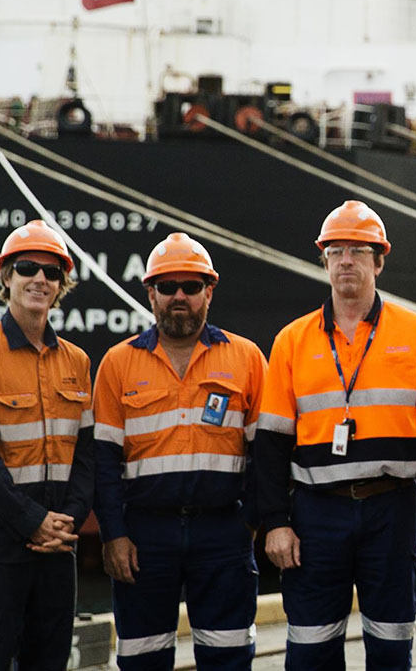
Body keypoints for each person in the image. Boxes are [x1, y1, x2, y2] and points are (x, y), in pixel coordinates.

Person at [255, 200, 416, 671]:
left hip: (393, 509)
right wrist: (275, 522)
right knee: (310, 648)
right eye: (336, 251)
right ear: (324, 261)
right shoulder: (292, 341)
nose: (346, 261)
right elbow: (271, 444)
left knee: (390, 645)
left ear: (379, 261)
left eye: (358, 251)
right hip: (316, 514)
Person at [93, 232, 267, 671]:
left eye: (191, 287)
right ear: (150, 293)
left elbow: (266, 454)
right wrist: (114, 534)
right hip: (145, 537)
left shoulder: (246, 358)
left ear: (209, 290)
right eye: (167, 287)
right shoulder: (118, 363)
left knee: (228, 657)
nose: (179, 297)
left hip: (224, 532)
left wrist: (251, 522)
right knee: (142, 658)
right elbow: (104, 462)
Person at [0, 219, 95, 670]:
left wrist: (67, 524)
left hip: (55, 549)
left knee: (48, 662)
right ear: (6, 276)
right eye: (28, 268)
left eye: (51, 272)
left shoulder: (77, 361)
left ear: (61, 284)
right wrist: (30, 521)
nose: (40, 279)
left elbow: (85, 456)